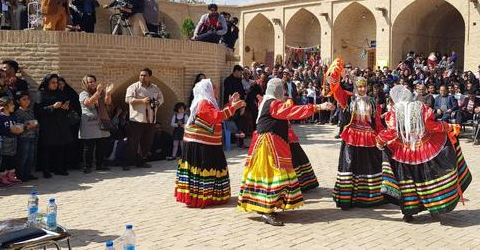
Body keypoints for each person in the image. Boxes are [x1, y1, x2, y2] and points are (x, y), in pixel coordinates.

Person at [237, 78, 332, 226]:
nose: (283, 91)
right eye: (281, 89)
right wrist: (318, 106)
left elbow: (288, 109)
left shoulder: (268, 102)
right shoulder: (272, 103)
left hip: (269, 143)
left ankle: (266, 207)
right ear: (276, 90)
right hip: (269, 145)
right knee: (272, 176)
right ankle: (266, 210)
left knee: (269, 176)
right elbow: (291, 111)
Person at [376, 86, 472, 222]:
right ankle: (435, 207)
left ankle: (408, 212)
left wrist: (379, 141)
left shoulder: (395, 112)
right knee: (428, 179)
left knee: (407, 182)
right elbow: (431, 125)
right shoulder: (421, 107)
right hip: (424, 148)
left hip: (404, 151)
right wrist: (448, 127)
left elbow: (392, 131)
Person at [175, 79, 245, 208]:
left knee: (212, 166)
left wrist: (230, 104)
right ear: (208, 90)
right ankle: (202, 197)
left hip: (208, 142)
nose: (217, 91)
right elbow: (216, 117)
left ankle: (209, 195)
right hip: (201, 143)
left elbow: (218, 115)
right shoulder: (203, 103)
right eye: (215, 88)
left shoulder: (208, 102)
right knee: (206, 167)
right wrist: (234, 107)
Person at [326, 61, 385, 209]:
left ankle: (368, 198)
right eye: (359, 86)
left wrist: (382, 137)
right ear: (355, 87)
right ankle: (347, 198)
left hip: (369, 137)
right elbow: (336, 89)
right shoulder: (349, 99)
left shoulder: (372, 102)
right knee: (350, 164)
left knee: (369, 166)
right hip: (352, 135)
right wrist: (335, 74)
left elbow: (377, 122)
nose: (362, 89)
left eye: (364, 86)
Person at [124, 68, 164, 170]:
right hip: (137, 120)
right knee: (132, 142)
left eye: (145, 75)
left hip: (150, 120)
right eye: (141, 75)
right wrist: (141, 101)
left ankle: (141, 161)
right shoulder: (133, 87)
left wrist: (157, 102)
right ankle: (128, 163)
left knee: (146, 142)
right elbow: (128, 99)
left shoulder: (155, 88)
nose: (142, 77)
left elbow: (161, 98)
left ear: (150, 77)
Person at [35, 74, 73, 178]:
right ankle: (46, 170)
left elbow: (68, 107)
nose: (55, 84)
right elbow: (38, 110)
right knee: (46, 148)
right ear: (47, 83)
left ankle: (58, 168)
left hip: (61, 124)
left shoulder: (60, 93)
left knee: (60, 147)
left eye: (56, 82)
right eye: (53, 82)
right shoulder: (41, 94)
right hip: (48, 125)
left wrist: (66, 108)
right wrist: (52, 107)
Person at [79, 75, 114, 173]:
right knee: (89, 146)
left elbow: (108, 103)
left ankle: (100, 165)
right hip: (90, 122)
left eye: (93, 81)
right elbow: (89, 103)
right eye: (89, 82)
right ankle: (87, 166)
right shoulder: (83, 94)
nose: (92, 83)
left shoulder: (100, 93)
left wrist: (108, 93)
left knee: (101, 145)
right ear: (85, 83)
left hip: (101, 121)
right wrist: (98, 93)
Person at [0, 97, 25, 186]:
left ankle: (10, 175)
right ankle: (2, 177)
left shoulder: (12, 116)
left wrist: (20, 128)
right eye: (11, 104)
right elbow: (1, 130)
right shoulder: (0, 117)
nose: (14, 106)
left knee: (11, 158)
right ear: (5, 106)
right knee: (3, 159)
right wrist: (10, 130)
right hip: (4, 141)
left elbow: (16, 126)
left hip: (13, 140)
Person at [14, 91, 39, 181]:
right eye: (23, 99)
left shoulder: (30, 111)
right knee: (23, 157)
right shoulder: (18, 113)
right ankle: (20, 175)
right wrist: (27, 125)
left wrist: (35, 124)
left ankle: (27, 174)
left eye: (28, 99)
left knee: (30, 157)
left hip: (32, 137)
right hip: (23, 138)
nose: (27, 101)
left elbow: (35, 122)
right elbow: (17, 126)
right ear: (18, 101)